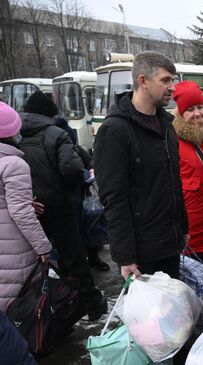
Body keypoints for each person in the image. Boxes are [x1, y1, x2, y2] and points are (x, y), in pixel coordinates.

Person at [94, 51, 189, 280]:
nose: (172, 87)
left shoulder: (166, 124)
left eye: (173, 80)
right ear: (143, 81)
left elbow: (172, 181)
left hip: (169, 245)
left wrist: (182, 228)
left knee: (174, 313)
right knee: (148, 316)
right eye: (165, 80)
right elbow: (114, 198)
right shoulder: (115, 130)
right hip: (141, 252)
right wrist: (125, 257)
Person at [18, 91, 107, 321]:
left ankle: (43, 311)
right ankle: (91, 305)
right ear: (49, 114)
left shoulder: (14, 134)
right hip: (59, 205)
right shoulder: (56, 134)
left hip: (29, 207)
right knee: (74, 256)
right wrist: (77, 182)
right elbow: (71, 170)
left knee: (38, 260)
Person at [0, 101, 51, 313]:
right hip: (12, 246)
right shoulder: (13, 164)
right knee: (16, 304)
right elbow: (20, 213)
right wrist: (43, 247)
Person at [171, 80, 203, 267]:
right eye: (190, 109)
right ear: (181, 114)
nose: (198, 113)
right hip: (194, 231)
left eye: (200, 107)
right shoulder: (175, 141)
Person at [53, 116, 109, 271]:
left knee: (90, 227)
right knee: (72, 233)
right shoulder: (54, 148)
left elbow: (90, 161)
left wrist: (91, 169)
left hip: (82, 196)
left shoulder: (75, 148)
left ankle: (92, 258)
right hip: (67, 198)